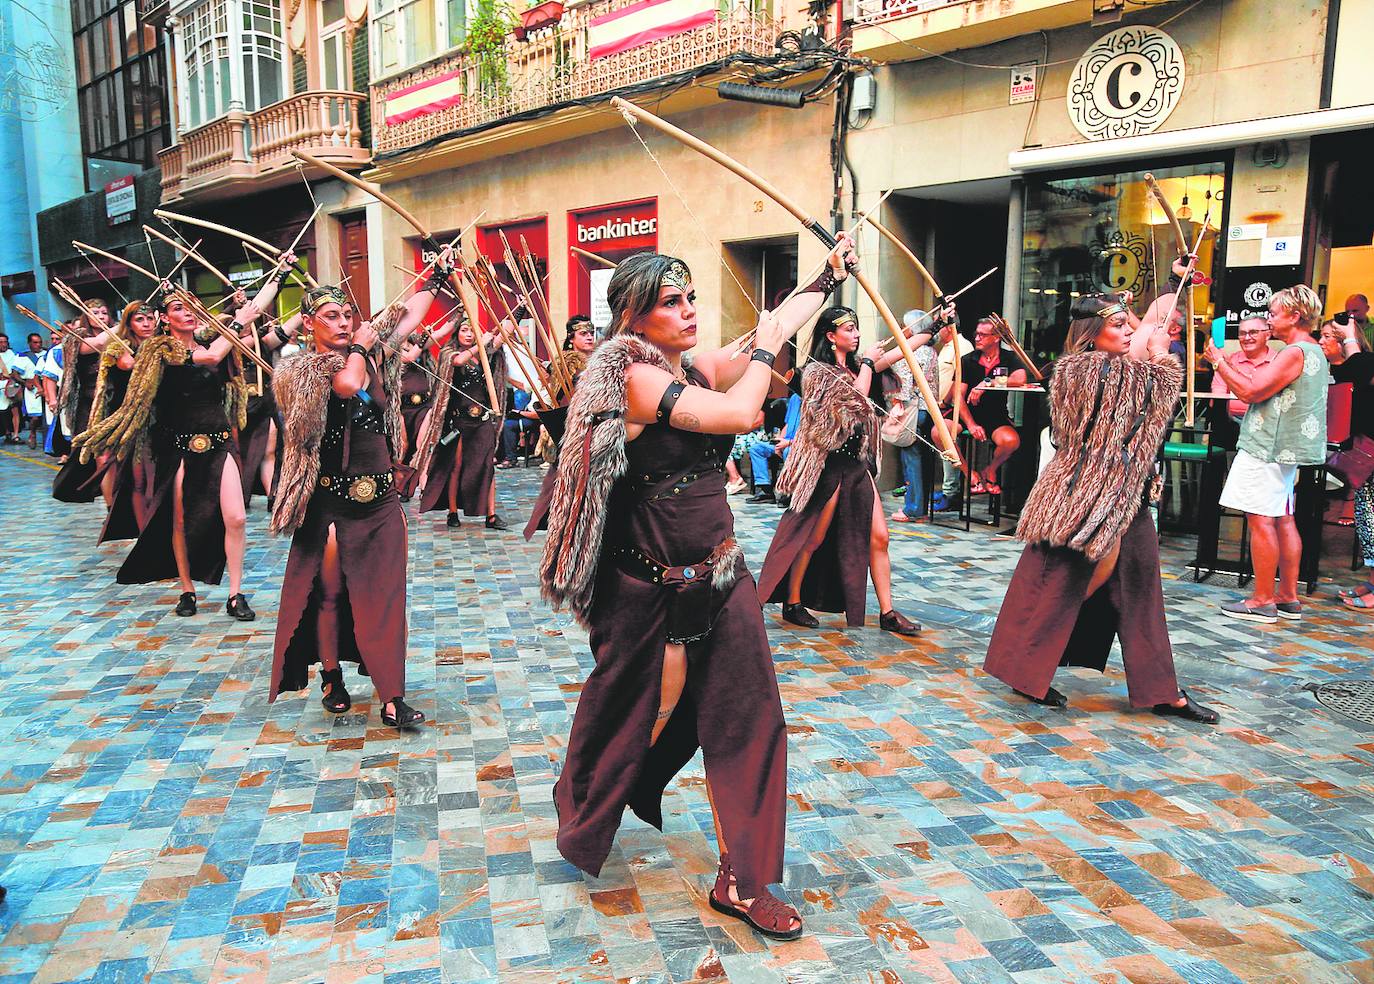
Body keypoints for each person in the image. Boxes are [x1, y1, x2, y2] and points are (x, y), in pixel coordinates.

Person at [539, 246, 853, 943]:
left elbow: (771, 329)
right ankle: (587, 800)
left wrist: (828, 276)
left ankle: (743, 879)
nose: (689, 312)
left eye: (690, 299)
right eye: (672, 303)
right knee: (634, 718)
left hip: (719, 576)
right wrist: (770, 348)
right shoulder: (629, 379)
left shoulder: (693, 366)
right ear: (634, 315)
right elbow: (744, 414)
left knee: (751, 719)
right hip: (642, 589)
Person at [984, 294, 1218, 722]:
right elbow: (1154, 390)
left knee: (1136, 587)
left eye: (1129, 324)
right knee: (1064, 582)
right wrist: (1163, 356)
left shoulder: (1094, 368)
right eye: (1119, 327)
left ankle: (1160, 689)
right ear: (1092, 335)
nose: (1129, 332)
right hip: (1090, 494)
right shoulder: (1090, 371)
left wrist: (1170, 287)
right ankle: (1024, 665)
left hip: (1117, 492)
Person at [268, 260, 451, 730]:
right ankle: (331, 675)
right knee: (329, 594)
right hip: (330, 504)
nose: (345, 322)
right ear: (308, 323)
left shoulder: (370, 356)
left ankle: (393, 697)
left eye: (348, 314)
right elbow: (347, 385)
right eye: (332, 315)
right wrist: (365, 346)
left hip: (381, 501)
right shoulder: (298, 369)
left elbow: (406, 318)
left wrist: (435, 278)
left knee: (387, 597)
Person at [74, 257, 295, 619]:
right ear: (165, 317)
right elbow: (207, 357)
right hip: (176, 446)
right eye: (179, 307)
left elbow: (255, 309)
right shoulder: (157, 351)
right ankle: (187, 588)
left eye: (193, 306)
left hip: (218, 442)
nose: (190, 312)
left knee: (236, 517)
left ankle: (236, 593)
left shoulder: (211, 339)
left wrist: (281, 273)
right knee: (178, 519)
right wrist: (239, 323)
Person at [756, 306, 924, 636]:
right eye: (849, 329)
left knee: (880, 536)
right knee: (813, 537)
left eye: (857, 328)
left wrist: (933, 328)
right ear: (831, 336)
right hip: (828, 466)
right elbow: (854, 395)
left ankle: (888, 613)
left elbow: (897, 353)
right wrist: (867, 364)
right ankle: (792, 601)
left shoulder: (859, 367)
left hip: (856, 465)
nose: (856, 334)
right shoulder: (818, 372)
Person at [1206, 285, 1328, 623]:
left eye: (1275, 312)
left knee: (1260, 519)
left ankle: (1262, 600)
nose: (1270, 319)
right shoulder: (1314, 350)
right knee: (1283, 517)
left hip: (1267, 446)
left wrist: (1219, 362)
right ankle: (1287, 596)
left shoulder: (1293, 352)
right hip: (1285, 448)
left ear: (1295, 315)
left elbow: (1249, 392)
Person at [414, 311, 512, 531]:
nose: (468, 334)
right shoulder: (449, 352)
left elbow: (505, 333)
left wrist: (520, 307)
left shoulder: (484, 354)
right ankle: (452, 511)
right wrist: (479, 343)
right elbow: (458, 361)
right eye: (464, 330)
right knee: (456, 466)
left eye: (471, 331)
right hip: (459, 421)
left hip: (482, 420)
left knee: (488, 466)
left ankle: (491, 515)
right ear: (457, 333)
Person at [85, 301, 160, 541]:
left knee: (155, 480)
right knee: (137, 479)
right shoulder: (119, 347)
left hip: (160, 418)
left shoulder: (162, 344)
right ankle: (143, 535)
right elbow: (130, 365)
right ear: (128, 323)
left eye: (150, 319)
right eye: (139, 319)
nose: (147, 324)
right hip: (127, 422)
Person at [1322, 317, 1374, 610]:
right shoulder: (1353, 367)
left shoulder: (1365, 363)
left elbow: (1361, 368)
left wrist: (1350, 338)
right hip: (1365, 451)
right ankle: (1372, 582)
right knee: (1368, 519)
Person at [958, 317, 1027, 496]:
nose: (977, 338)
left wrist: (987, 383)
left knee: (1011, 441)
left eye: (982, 335)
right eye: (976, 334)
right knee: (938, 433)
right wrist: (971, 424)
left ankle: (990, 470)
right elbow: (958, 396)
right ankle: (970, 475)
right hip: (967, 414)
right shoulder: (967, 360)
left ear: (996, 338)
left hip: (995, 415)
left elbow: (1020, 380)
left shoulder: (1008, 358)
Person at [890, 309, 940, 523]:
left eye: (905, 325)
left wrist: (894, 403)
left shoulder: (909, 351)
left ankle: (913, 509)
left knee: (911, 460)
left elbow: (903, 387)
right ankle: (921, 507)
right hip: (928, 410)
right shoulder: (931, 352)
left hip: (912, 410)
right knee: (923, 460)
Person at [1209, 316, 1273, 422]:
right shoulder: (1229, 361)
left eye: (1253, 332)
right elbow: (1218, 396)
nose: (1247, 338)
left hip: (1267, 420)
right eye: (1242, 333)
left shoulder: (1278, 361)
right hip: (1232, 420)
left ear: (1267, 335)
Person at [13, 332, 48, 448]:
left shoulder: (47, 354)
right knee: (35, 417)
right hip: (32, 388)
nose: (38, 345)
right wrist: (24, 383)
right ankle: (32, 434)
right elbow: (15, 374)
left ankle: (47, 440)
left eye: (40, 342)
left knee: (48, 415)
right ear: (29, 343)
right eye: (35, 342)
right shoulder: (22, 356)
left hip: (46, 385)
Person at [0, 333, 20, 443]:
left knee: (14, 410)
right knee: (3, 413)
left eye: (5, 342)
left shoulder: (12, 354)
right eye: (1, 342)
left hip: (11, 385)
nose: (3, 344)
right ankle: (7, 431)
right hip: (0, 386)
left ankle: (15, 434)